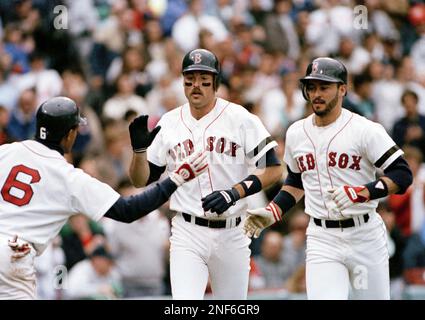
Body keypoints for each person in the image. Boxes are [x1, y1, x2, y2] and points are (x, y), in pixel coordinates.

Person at [0, 96, 208, 299]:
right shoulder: (69, 177)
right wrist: (176, 179)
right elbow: (128, 210)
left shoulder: (6, 151)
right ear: (70, 134)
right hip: (15, 255)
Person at [244, 57, 413, 300]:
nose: (316, 93)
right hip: (322, 238)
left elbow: (402, 174)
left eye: (324, 87)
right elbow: (296, 182)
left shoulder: (365, 129)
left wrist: (361, 192)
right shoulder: (296, 132)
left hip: (364, 234)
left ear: (342, 89)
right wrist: (273, 211)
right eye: (311, 87)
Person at [128, 48, 282, 299]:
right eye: (190, 79)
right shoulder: (169, 122)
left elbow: (275, 169)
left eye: (204, 80)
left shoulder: (240, 118)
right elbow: (139, 180)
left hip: (233, 230)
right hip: (188, 229)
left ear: (216, 84)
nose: (196, 85)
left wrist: (235, 192)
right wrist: (138, 151)